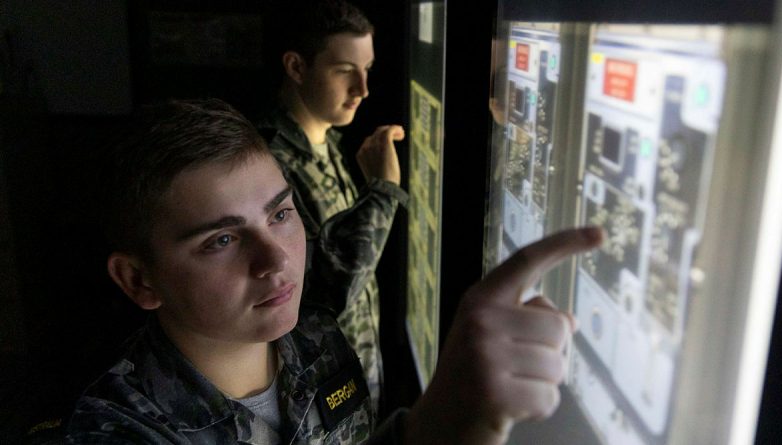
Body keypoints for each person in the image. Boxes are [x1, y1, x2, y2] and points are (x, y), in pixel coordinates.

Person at [65, 99, 602, 444]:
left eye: (280, 214)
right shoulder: (115, 431)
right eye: (222, 240)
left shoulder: (316, 338)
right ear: (140, 280)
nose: (276, 259)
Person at [257, 0, 404, 415]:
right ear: (297, 68)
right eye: (344, 71)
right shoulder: (270, 163)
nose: (363, 88)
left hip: (352, 379)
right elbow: (326, 295)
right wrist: (383, 192)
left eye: (367, 69)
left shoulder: (326, 141)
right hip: (318, 400)